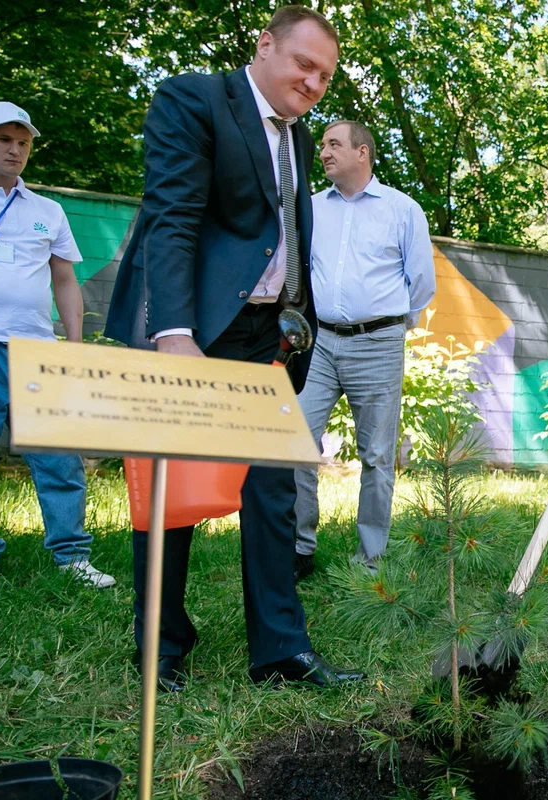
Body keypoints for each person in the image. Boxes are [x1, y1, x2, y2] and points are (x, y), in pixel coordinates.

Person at [105, 6, 362, 691]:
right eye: (303, 64)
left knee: (273, 495)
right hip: (193, 333)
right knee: (173, 495)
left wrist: (291, 316)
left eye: (324, 75)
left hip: (261, 338)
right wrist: (175, 333)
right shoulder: (194, 99)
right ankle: (160, 648)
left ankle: (280, 651)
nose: (312, 82)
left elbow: (281, 233)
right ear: (265, 45)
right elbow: (174, 220)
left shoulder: (299, 133)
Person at [0, 101, 114, 591]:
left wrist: (72, 345)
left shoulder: (49, 210)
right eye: (5, 140)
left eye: (23, 143)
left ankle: (71, 554)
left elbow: (65, 279)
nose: (15, 150)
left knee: (57, 456)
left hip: (37, 352)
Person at [292, 120, 435, 581]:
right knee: (293, 442)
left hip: (378, 343)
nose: (325, 152)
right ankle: (299, 548)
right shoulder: (310, 208)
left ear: (362, 153)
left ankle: (370, 556)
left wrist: (387, 323)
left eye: (335, 144)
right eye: (324, 146)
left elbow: (422, 283)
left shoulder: (402, 209)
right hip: (317, 343)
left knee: (376, 455)